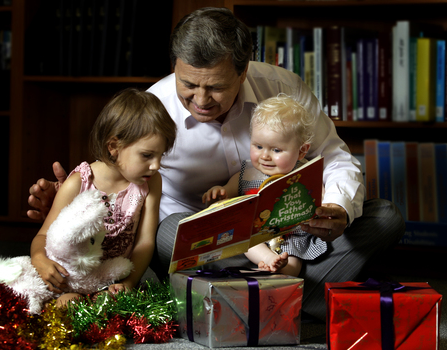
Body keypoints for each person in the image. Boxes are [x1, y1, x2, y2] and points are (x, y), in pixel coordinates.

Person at [26, 8, 405, 320]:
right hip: (197, 238)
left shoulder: (284, 88)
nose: (201, 99)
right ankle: (308, 295)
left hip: (288, 227)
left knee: (384, 217)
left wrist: (336, 207)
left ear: (244, 70)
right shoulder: (154, 107)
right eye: (188, 84)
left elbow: (334, 155)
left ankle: (258, 298)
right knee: (170, 233)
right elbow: (117, 176)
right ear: (175, 65)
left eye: (216, 87)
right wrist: (71, 200)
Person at [29, 88, 176, 307]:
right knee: (68, 306)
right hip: (71, 278)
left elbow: (145, 241)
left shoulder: (150, 182)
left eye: (160, 156)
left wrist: (128, 282)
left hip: (112, 280)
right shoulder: (78, 182)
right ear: (114, 146)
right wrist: (39, 259)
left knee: (115, 310)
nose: (155, 166)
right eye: (147, 155)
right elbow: (43, 236)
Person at [202, 94, 327, 277]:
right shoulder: (247, 172)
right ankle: (268, 261)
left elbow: (321, 197)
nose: (265, 156)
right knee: (243, 238)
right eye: (258, 146)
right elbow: (226, 192)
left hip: (289, 237)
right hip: (253, 236)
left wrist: (323, 206)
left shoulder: (306, 174)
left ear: (301, 151)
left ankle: (277, 273)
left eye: (276, 150)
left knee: (292, 264)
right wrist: (219, 194)